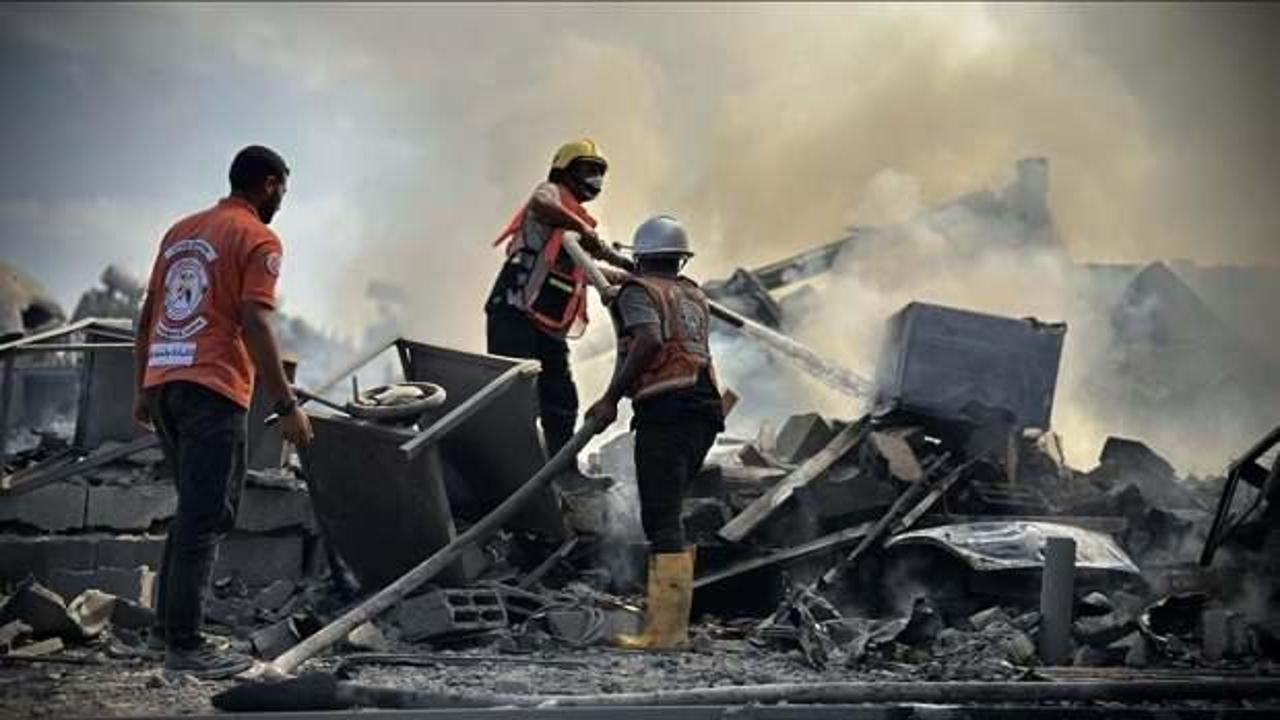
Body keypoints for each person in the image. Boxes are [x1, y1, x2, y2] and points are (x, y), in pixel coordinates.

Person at [132, 145, 314, 678]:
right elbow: (255, 321)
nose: (283, 197)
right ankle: (185, 645)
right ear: (269, 184)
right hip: (212, 385)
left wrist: (143, 388)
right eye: (283, 186)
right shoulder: (259, 237)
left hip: (166, 379)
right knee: (207, 515)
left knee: (192, 510)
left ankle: (165, 632)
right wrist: (287, 405)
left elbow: (148, 315)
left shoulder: (181, 231)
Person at [585, 215, 724, 650]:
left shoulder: (639, 292)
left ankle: (666, 633)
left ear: (640, 256)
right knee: (671, 512)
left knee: (661, 518)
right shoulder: (691, 293)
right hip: (705, 409)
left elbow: (646, 340)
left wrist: (610, 398)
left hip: (667, 409)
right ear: (679, 258)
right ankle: (671, 625)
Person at [485, 138, 634, 461]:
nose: (595, 178)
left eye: (599, 172)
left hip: (547, 324)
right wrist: (584, 230)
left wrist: (633, 276)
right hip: (514, 311)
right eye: (588, 169)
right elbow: (541, 201)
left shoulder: (577, 228)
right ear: (564, 171)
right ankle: (513, 467)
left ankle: (562, 469)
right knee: (518, 395)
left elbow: (591, 272)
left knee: (561, 399)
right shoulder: (551, 196)